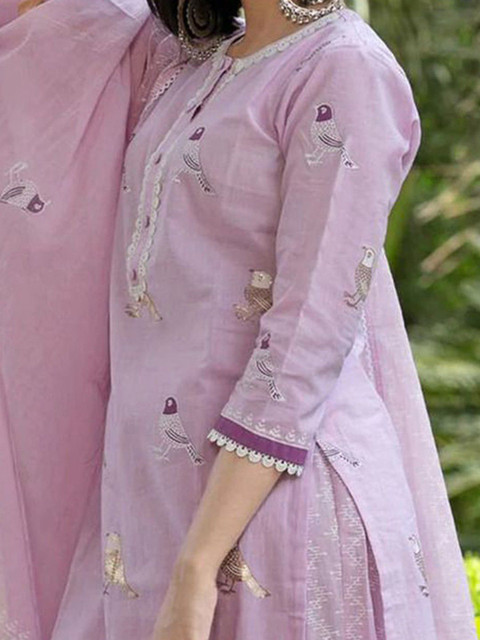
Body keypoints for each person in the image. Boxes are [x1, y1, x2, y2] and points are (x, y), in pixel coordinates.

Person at [0, 1, 476, 639]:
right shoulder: (191, 68)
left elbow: (308, 338)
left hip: (272, 516)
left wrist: (197, 568)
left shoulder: (343, 68)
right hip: (144, 516)